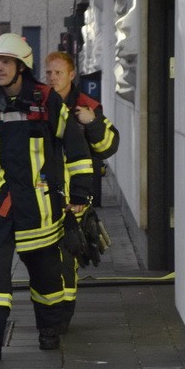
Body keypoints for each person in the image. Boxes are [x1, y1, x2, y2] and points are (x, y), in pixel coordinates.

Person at [0, 33, 94, 360]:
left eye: (6, 62)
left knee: (45, 273)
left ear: (22, 66)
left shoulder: (47, 100)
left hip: (40, 204)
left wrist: (80, 192)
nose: (0, 68)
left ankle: (50, 329)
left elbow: (77, 149)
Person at [45, 51, 121, 332]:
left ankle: (63, 314)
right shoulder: (40, 104)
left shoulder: (86, 106)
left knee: (66, 258)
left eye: (59, 73)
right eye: (49, 73)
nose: (53, 78)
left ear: (72, 75)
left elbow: (108, 148)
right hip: (45, 195)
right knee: (46, 258)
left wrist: (93, 122)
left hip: (75, 198)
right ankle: (54, 311)